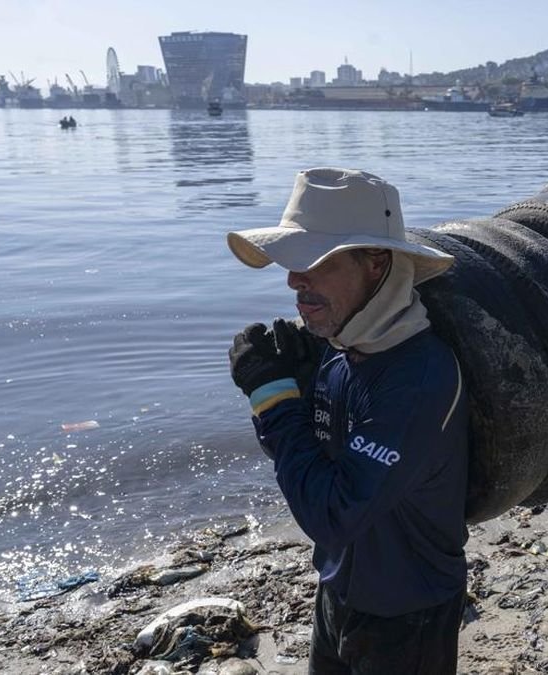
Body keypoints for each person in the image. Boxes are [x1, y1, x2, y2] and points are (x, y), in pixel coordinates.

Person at [226, 168, 470, 674]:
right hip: (338, 590)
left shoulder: (417, 377)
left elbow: (333, 515)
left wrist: (272, 400)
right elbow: (307, 465)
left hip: (409, 610)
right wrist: (292, 393)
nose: (294, 280)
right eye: (292, 263)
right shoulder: (341, 354)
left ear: (377, 264)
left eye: (314, 262)